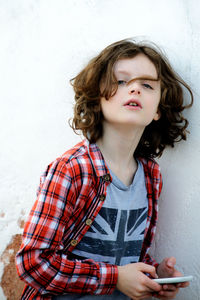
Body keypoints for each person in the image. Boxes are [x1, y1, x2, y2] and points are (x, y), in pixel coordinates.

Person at [16, 38, 193, 300]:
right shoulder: (72, 170)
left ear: (158, 109)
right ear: (98, 98)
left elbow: (126, 256)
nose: (134, 89)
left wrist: (153, 275)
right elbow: (33, 263)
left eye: (147, 84)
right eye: (121, 81)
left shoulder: (151, 176)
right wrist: (116, 278)